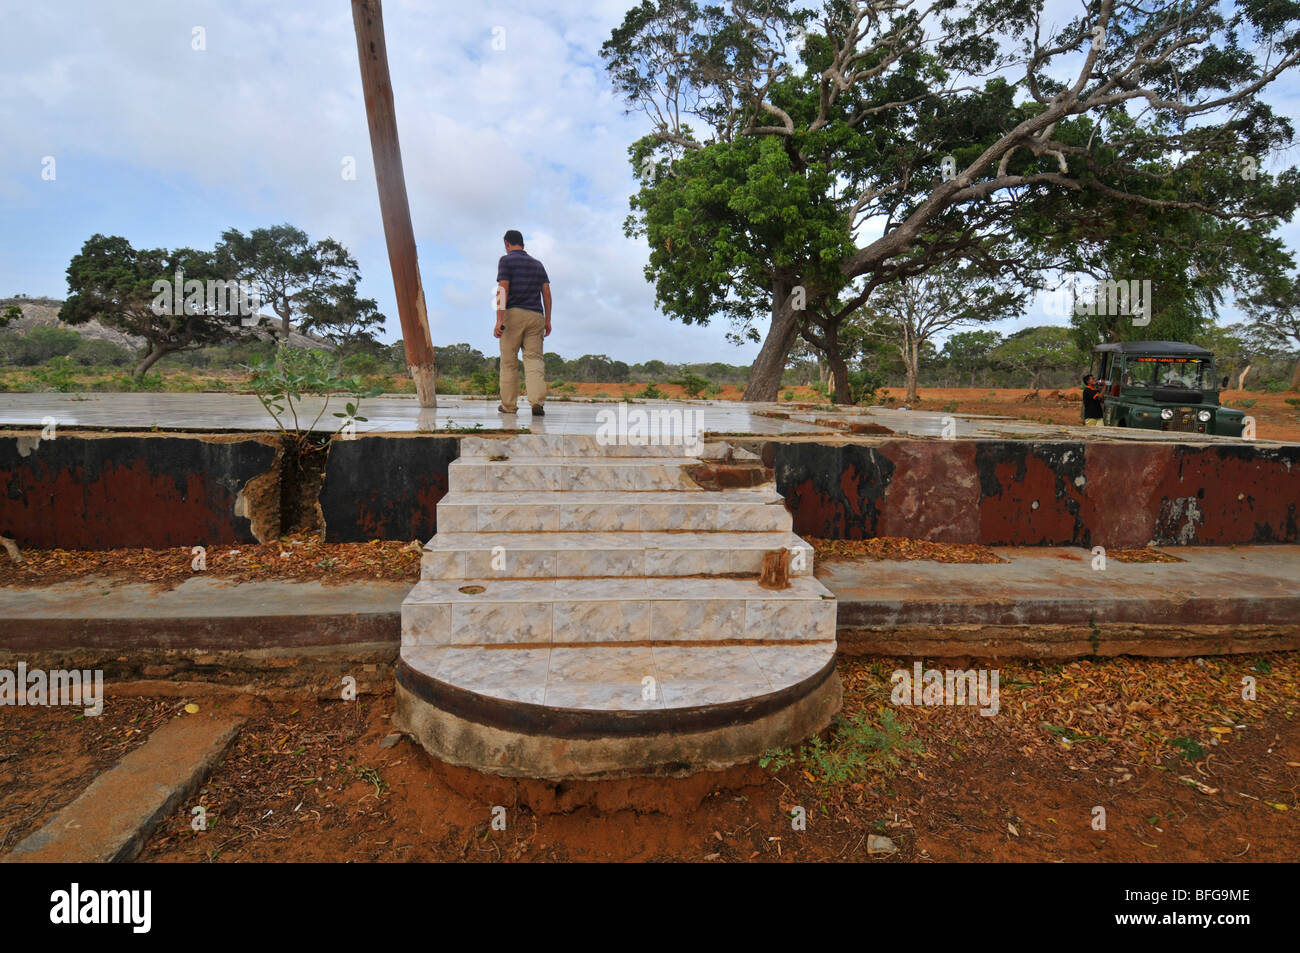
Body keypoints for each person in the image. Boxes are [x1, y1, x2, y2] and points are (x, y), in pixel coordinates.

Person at [494, 229, 552, 415]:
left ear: (507, 244)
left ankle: (509, 406)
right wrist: (548, 320)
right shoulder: (538, 264)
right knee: (534, 360)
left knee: (509, 362)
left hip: (514, 314)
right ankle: (537, 403)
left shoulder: (506, 260)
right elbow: (547, 294)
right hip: (536, 316)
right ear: (523, 243)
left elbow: (503, 289)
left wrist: (499, 320)